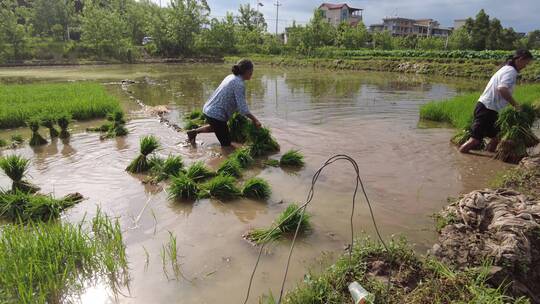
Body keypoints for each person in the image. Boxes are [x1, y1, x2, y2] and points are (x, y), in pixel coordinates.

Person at [459, 49, 534, 154]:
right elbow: (502, 88)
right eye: (526, 63)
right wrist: (516, 105)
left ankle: (488, 157)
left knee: (497, 137)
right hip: (487, 109)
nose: (526, 66)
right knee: (475, 140)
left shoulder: (506, 69)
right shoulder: (511, 71)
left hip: (491, 109)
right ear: (520, 59)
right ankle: (459, 158)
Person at [187, 59, 262, 147]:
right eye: (251, 71)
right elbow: (243, 109)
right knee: (227, 145)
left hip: (208, 109)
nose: (252, 73)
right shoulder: (239, 84)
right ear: (246, 71)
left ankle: (193, 132)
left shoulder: (231, 77)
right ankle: (224, 156)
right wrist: (255, 120)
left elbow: (235, 102)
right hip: (216, 114)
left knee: (217, 127)